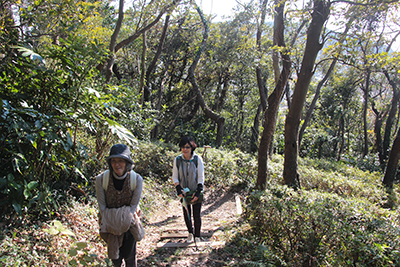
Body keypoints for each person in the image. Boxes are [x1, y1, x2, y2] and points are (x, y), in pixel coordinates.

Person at [95, 144, 143, 267]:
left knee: (130, 256)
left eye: (120, 161)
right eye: (114, 161)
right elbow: (102, 205)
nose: (117, 164)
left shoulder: (136, 179)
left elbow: (133, 206)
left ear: (127, 163)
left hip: (129, 223)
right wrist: (114, 222)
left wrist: (121, 220)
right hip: (110, 225)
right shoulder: (101, 179)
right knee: (115, 258)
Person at [171, 136, 205, 243]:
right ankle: (190, 233)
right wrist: (178, 188)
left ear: (192, 147)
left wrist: (198, 191)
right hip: (183, 192)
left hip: (195, 190)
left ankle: (197, 235)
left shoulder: (197, 159)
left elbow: (201, 176)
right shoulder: (177, 160)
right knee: (187, 213)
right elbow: (175, 176)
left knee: (196, 214)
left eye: (187, 147)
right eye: (183, 147)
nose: (185, 149)